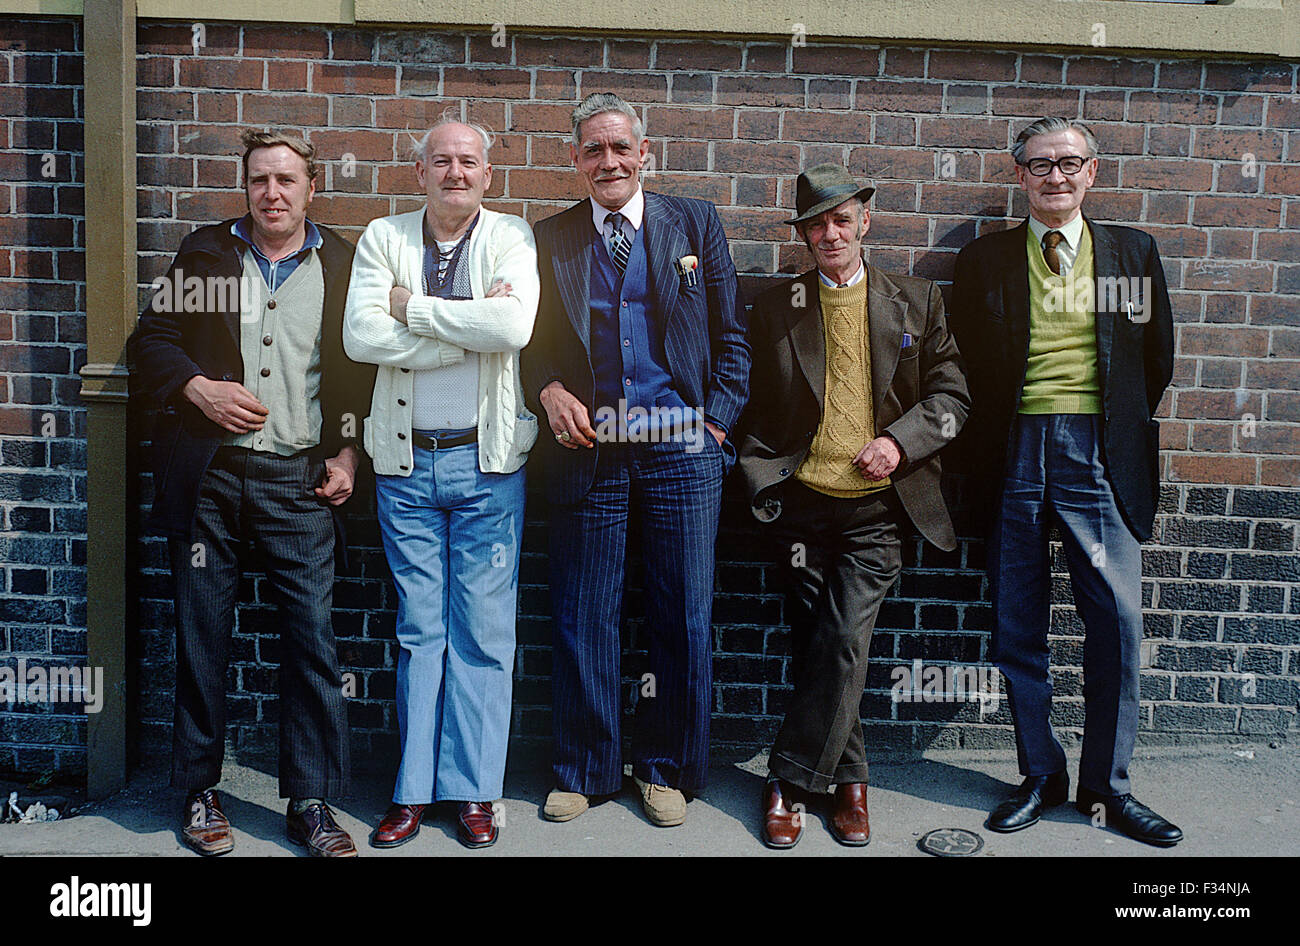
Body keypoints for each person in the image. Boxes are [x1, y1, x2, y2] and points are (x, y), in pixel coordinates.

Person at [129, 129, 375, 857]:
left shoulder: (342, 260)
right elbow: (152, 342)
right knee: (204, 636)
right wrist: (198, 388)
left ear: (310, 189)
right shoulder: (207, 253)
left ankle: (311, 801)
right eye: (260, 179)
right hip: (210, 477)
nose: (273, 193)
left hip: (299, 482)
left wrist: (349, 451)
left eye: (287, 181)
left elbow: (361, 372)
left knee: (313, 642)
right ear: (246, 186)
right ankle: (200, 791)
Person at [949, 117, 1180, 846]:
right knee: (1018, 622)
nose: (1056, 176)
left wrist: (1107, 428)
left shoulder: (1130, 254)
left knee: (1115, 622)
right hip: (1013, 448)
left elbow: (1156, 361)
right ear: (1020, 176)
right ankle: (1040, 774)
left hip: (1099, 453)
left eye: (1070, 163)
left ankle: (1107, 788)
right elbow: (965, 367)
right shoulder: (984, 261)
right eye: (1041, 165)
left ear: (1093, 172)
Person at [522, 92, 749, 827]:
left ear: (644, 153)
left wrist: (714, 428)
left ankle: (666, 769)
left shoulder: (695, 222)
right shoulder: (549, 238)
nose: (609, 161)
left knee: (681, 614)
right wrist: (549, 389)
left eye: (621, 148)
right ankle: (585, 770)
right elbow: (523, 346)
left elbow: (733, 336)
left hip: (682, 450)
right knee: (584, 612)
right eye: (594, 150)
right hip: (589, 450)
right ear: (575, 159)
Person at [737, 163, 969, 848]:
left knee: (841, 639)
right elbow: (756, 406)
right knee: (823, 648)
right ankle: (852, 781)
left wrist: (900, 443)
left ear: (865, 222)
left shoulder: (917, 300)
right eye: (817, 224)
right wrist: (758, 475)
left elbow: (954, 399)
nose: (830, 233)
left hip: (878, 509)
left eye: (842, 219)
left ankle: (787, 780)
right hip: (803, 507)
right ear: (804, 235)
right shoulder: (780, 307)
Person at [342, 116, 539, 850]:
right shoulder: (383, 238)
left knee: (485, 634)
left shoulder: (511, 238)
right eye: (441, 161)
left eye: (469, 162)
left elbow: (513, 330)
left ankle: (476, 791)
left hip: (487, 463)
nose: (456, 172)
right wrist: (465, 322)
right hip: (403, 463)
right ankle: (412, 791)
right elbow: (361, 338)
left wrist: (412, 310)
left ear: (488, 175)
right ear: (418, 170)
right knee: (421, 631)